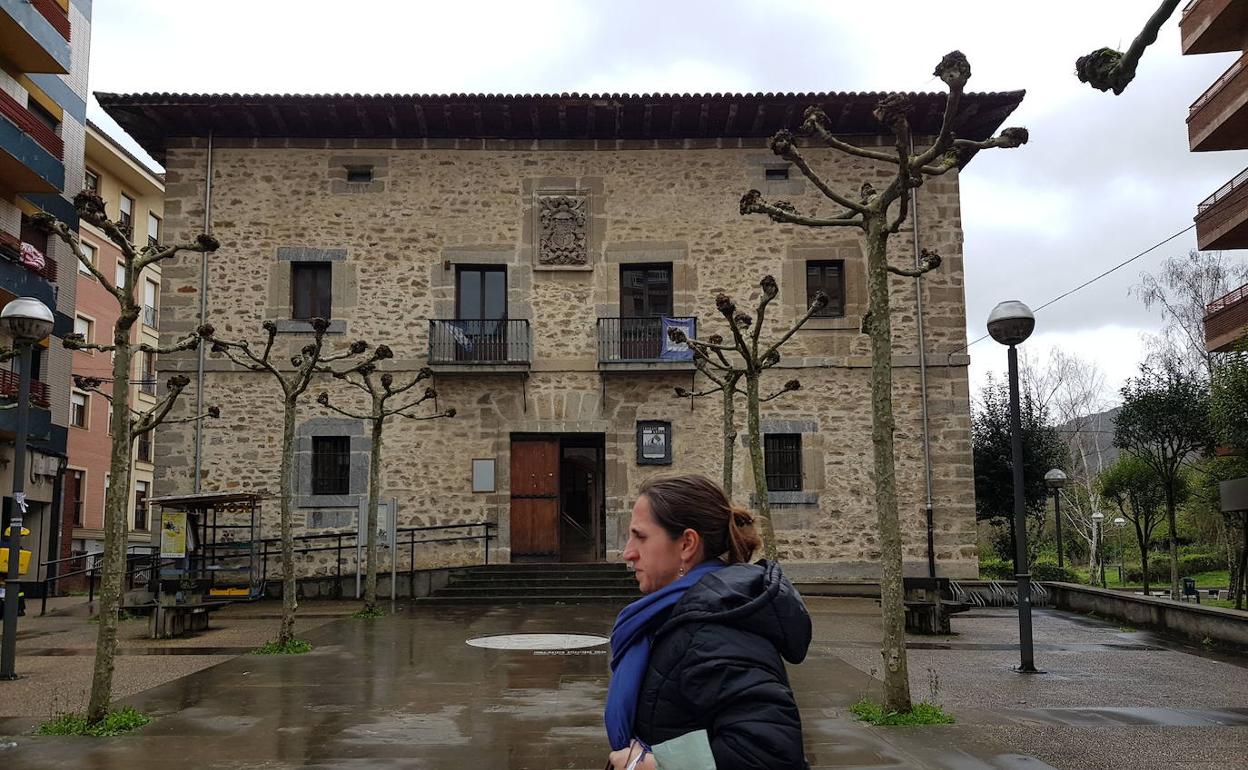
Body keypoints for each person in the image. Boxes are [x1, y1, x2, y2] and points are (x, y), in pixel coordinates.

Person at [604, 474, 811, 770]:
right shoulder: (673, 616)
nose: (627, 553)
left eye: (641, 536)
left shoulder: (715, 633)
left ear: (687, 544)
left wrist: (645, 764)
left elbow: (770, 754)